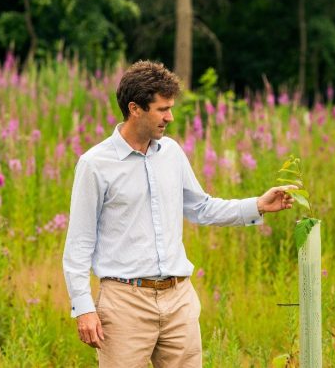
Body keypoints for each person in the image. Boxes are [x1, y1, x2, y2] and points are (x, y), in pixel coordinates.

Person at [62, 60, 294, 367]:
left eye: (171, 108)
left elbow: (201, 207)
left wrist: (257, 205)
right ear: (135, 108)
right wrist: (84, 308)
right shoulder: (95, 164)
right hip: (124, 303)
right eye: (162, 109)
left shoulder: (171, 153)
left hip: (178, 300)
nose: (170, 117)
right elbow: (79, 242)